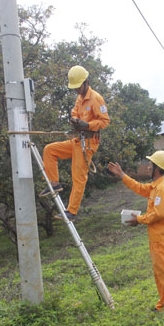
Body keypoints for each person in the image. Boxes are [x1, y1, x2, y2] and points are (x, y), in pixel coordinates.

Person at [108, 151, 164, 312]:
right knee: (159, 272)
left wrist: (139, 219)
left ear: (157, 168)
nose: (148, 166)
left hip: (160, 239)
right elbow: (139, 188)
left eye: (151, 164)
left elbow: (159, 214)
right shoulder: (155, 187)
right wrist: (122, 175)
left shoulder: (161, 188)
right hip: (156, 238)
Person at [40, 65, 110, 222]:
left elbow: (105, 121)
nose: (77, 90)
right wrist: (75, 120)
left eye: (78, 86)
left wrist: (87, 125)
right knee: (50, 150)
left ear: (86, 82)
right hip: (78, 140)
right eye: (75, 87)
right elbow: (75, 112)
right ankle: (54, 182)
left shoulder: (96, 98)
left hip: (88, 143)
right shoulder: (79, 98)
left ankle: (71, 211)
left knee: (78, 177)